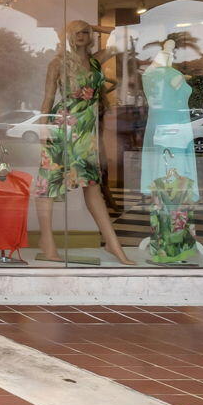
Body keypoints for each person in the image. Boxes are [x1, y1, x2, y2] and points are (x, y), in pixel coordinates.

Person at [37, 19, 130, 264]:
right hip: (62, 128)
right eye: (76, 31)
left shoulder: (95, 61)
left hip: (86, 133)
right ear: (67, 35)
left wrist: (96, 28)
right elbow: (47, 99)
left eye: (85, 32)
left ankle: (113, 244)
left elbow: (117, 35)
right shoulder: (57, 63)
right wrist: (42, 129)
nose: (81, 35)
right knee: (49, 184)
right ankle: (47, 242)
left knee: (93, 188)